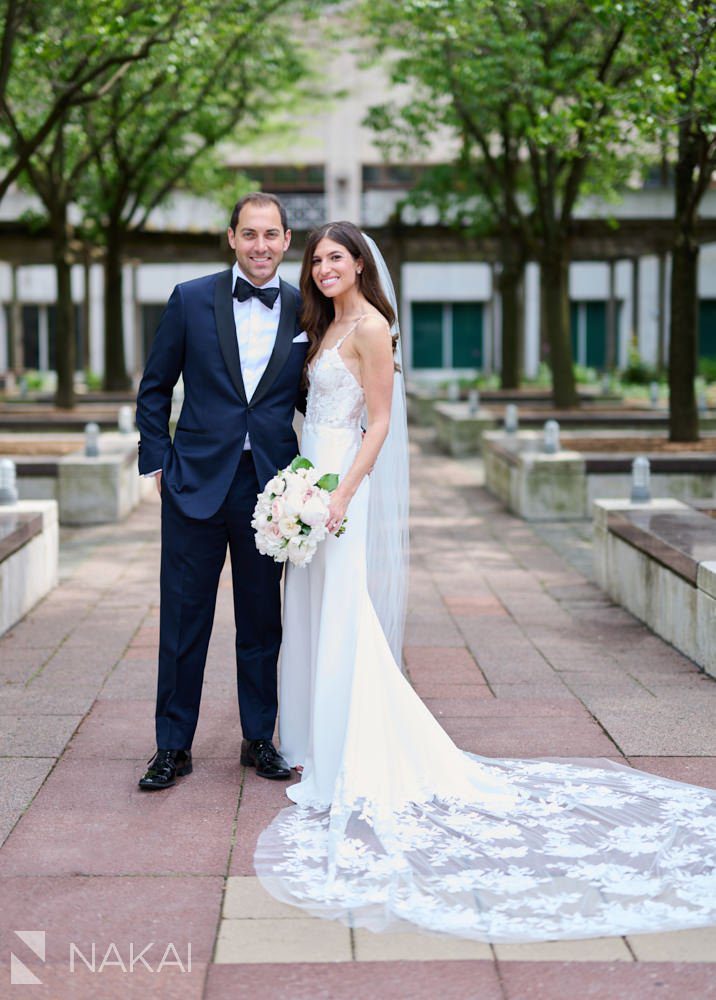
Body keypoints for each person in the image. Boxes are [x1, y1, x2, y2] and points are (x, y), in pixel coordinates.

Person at [254, 220, 716, 943]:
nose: (323, 269)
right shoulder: (323, 324)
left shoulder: (372, 326)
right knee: (312, 609)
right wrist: (296, 487)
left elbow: (378, 423)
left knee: (344, 611)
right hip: (311, 476)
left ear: (360, 265)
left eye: (335, 258)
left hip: (344, 480)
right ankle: (323, 743)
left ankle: (355, 754)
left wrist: (341, 493)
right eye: (316, 260)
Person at [135, 193, 307, 790]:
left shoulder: (306, 307)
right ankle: (171, 747)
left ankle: (259, 738)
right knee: (185, 621)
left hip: (271, 492)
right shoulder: (189, 299)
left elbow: (316, 394)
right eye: (250, 234)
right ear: (231, 238)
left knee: (263, 622)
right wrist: (156, 462)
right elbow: (155, 387)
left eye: (272, 235)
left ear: (288, 241)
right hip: (194, 485)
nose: (261, 246)